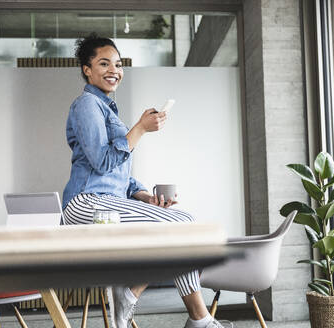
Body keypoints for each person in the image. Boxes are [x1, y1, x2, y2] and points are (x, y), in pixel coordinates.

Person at [61, 33, 232, 328]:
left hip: (109, 203)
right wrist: (139, 128)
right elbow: (102, 163)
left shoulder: (107, 109)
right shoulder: (86, 105)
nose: (114, 70)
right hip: (86, 204)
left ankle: (138, 295)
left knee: (185, 223)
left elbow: (119, 174)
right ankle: (196, 319)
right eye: (104, 63)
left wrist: (144, 196)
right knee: (183, 227)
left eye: (118, 64)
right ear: (87, 69)